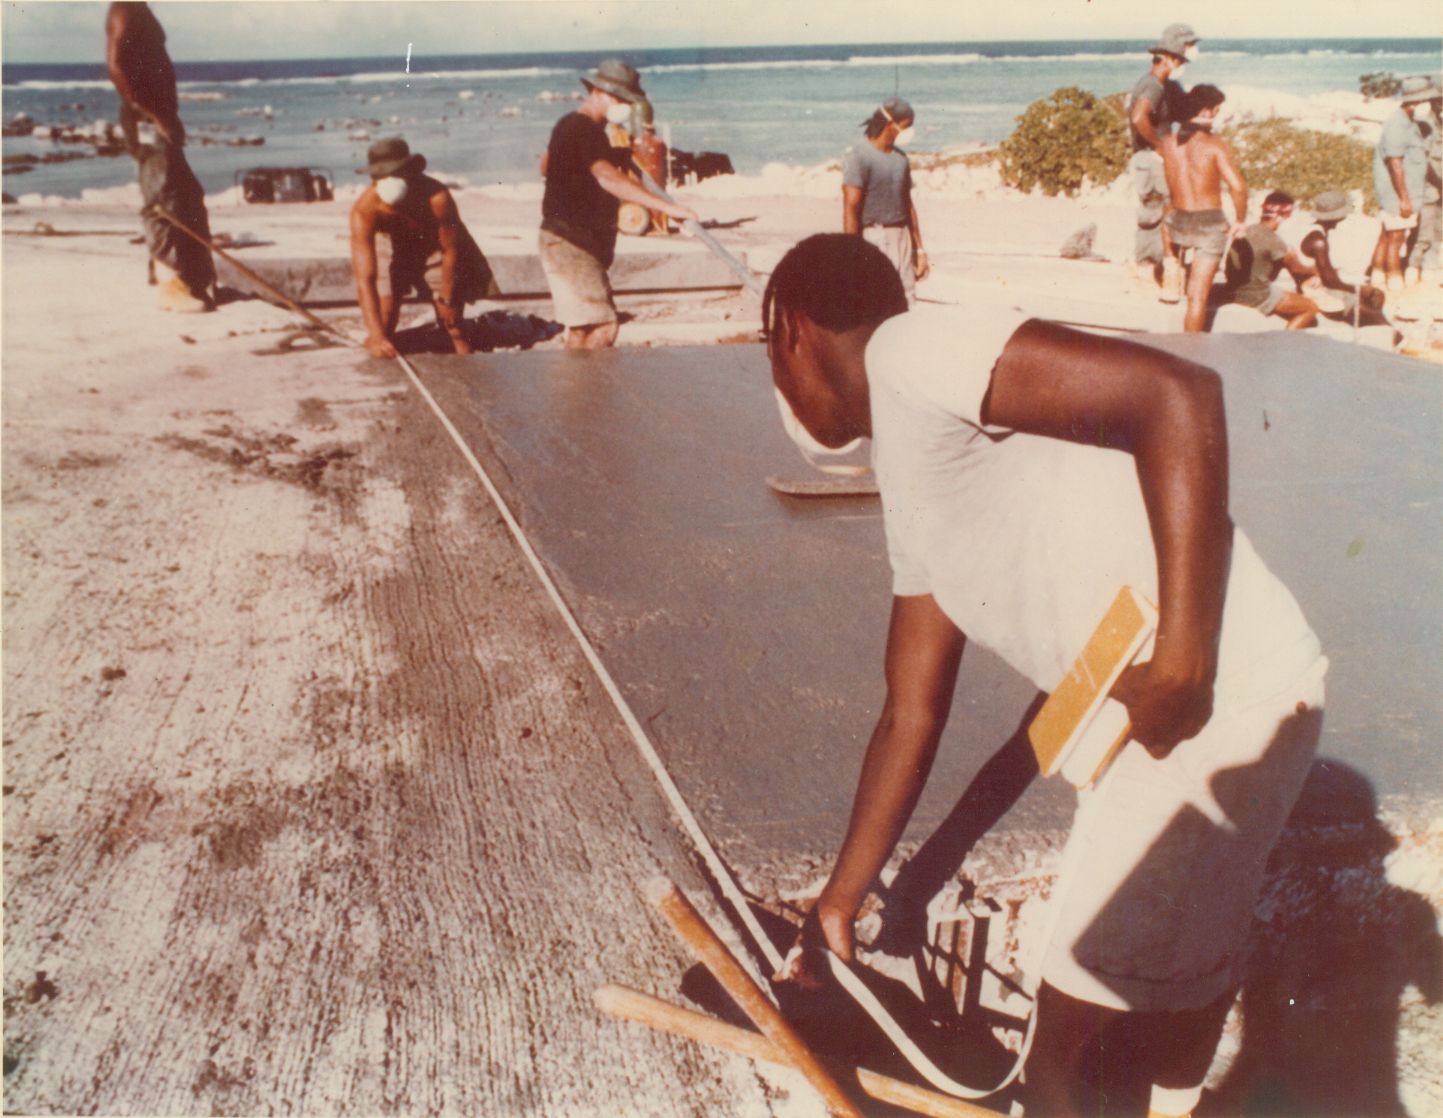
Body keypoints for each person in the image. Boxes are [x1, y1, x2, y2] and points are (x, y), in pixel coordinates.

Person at [767, 233, 1325, 1118]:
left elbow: (1177, 392)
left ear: (788, 329)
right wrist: (847, 898)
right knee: (1159, 1015)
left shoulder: (909, 351)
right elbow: (910, 713)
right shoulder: (917, 472)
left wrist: (1182, 653)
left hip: (1210, 696)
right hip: (1223, 699)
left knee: (1064, 1061)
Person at [538, 59, 697, 349]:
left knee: (583, 329)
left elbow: (545, 167)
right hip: (570, 240)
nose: (624, 105)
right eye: (619, 98)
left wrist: (606, 155)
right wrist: (667, 207)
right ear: (598, 92)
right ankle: (589, 394)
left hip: (561, 238)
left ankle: (575, 393)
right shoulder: (586, 129)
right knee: (604, 326)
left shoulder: (569, 124)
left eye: (627, 100)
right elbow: (607, 178)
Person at [105, 1, 215, 313]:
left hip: (159, 116)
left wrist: (167, 116)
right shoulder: (123, 9)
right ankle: (171, 286)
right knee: (162, 201)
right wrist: (155, 116)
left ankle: (193, 279)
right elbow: (116, 67)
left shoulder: (138, 8)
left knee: (188, 195)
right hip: (147, 120)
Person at [349, 138, 497, 358]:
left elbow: (451, 249)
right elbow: (365, 278)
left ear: (409, 170)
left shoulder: (437, 196)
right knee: (383, 326)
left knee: (453, 326)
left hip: (435, 246)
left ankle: (466, 374)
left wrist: (447, 296)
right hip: (390, 245)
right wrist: (377, 335)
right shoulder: (365, 210)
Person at [1158, 84, 1247, 332]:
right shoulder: (1214, 145)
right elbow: (1238, 187)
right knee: (1197, 299)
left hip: (1176, 224)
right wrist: (1240, 220)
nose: (1217, 115)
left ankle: (1171, 264)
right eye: (1217, 110)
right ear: (1206, 111)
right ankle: (1191, 351)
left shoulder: (1167, 143)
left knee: (1167, 215)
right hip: (1208, 225)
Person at [1127, 23, 1199, 301]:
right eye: (1180, 59)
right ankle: (1151, 270)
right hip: (1150, 158)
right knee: (1158, 214)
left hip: (1154, 157)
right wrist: (1160, 148)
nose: (1183, 64)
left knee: (1160, 213)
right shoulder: (1153, 85)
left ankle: (1150, 270)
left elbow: (1184, 110)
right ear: (1168, 58)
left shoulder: (1167, 86)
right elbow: (1138, 117)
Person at [842, 98, 929, 305]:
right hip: (875, 237)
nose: (909, 132)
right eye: (907, 126)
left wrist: (919, 250)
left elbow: (907, 205)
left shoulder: (901, 159)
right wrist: (851, 252)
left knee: (908, 302)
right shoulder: (859, 157)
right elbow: (851, 207)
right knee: (877, 302)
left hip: (902, 236)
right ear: (891, 124)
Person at [1368, 75, 1433, 292]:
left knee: (1386, 236)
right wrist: (1404, 198)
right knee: (1397, 238)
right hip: (1397, 192)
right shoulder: (1398, 123)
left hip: (1399, 191)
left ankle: (1378, 276)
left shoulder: (1405, 121)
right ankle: (1394, 279)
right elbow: (1395, 163)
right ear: (1417, 102)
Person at [1297, 191, 1391, 328]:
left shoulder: (1317, 231)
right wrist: (1361, 289)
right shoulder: (1318, 240)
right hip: (1314, 292)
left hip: (1315, 284)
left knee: (1374, 298)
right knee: (1381, 320)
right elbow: (1330, 282)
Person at [1226, 193, 1319, 330]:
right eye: (1289, 215)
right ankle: (1285, 342)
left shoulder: (1248, 231)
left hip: (1235, 290)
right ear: (1282, 216)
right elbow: (1297, 269)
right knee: (1310, 308)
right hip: (1257, 295)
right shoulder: (1274, 240)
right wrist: (1316, 270)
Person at [1405, 76, 1441, 288]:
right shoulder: (1426, 125)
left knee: (1437, 229)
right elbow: (1426, 160)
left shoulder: (1437, 122)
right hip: (1429, 186)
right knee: (1424, 231)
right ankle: (1417, 267)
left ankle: (1427, 266)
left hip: (1437, 186)